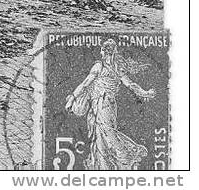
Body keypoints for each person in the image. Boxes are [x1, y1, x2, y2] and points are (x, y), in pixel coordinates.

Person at [64, 39, 156, 170]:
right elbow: (130, 85)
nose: (100, 52)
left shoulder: (100, 66)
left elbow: (85, 84)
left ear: (104, 52)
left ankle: (129, 153)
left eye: (102, 49)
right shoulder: (116, 68)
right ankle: (104, 168)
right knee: (100, 135)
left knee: (108, 133)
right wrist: (143, 93)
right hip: (103, 105)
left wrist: (72, 98)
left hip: (104, 104)